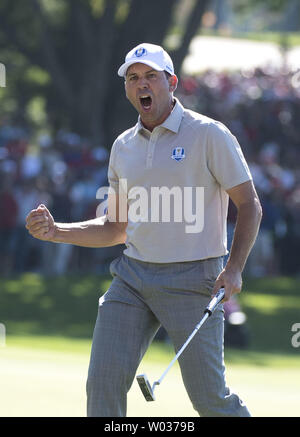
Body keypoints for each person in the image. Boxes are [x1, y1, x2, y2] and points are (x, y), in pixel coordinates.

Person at [26, 43, 262, 417]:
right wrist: (57, 231)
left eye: (151, 76)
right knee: (102, 384)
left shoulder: (209, 134)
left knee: (210, 400)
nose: (142, 84)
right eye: (134, 78)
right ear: (127, 89)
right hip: (132, 279)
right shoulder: (123, 146)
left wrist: (233, 268)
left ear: (171, 83)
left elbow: (249, 205)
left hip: (194, 279)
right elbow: (116, 228)